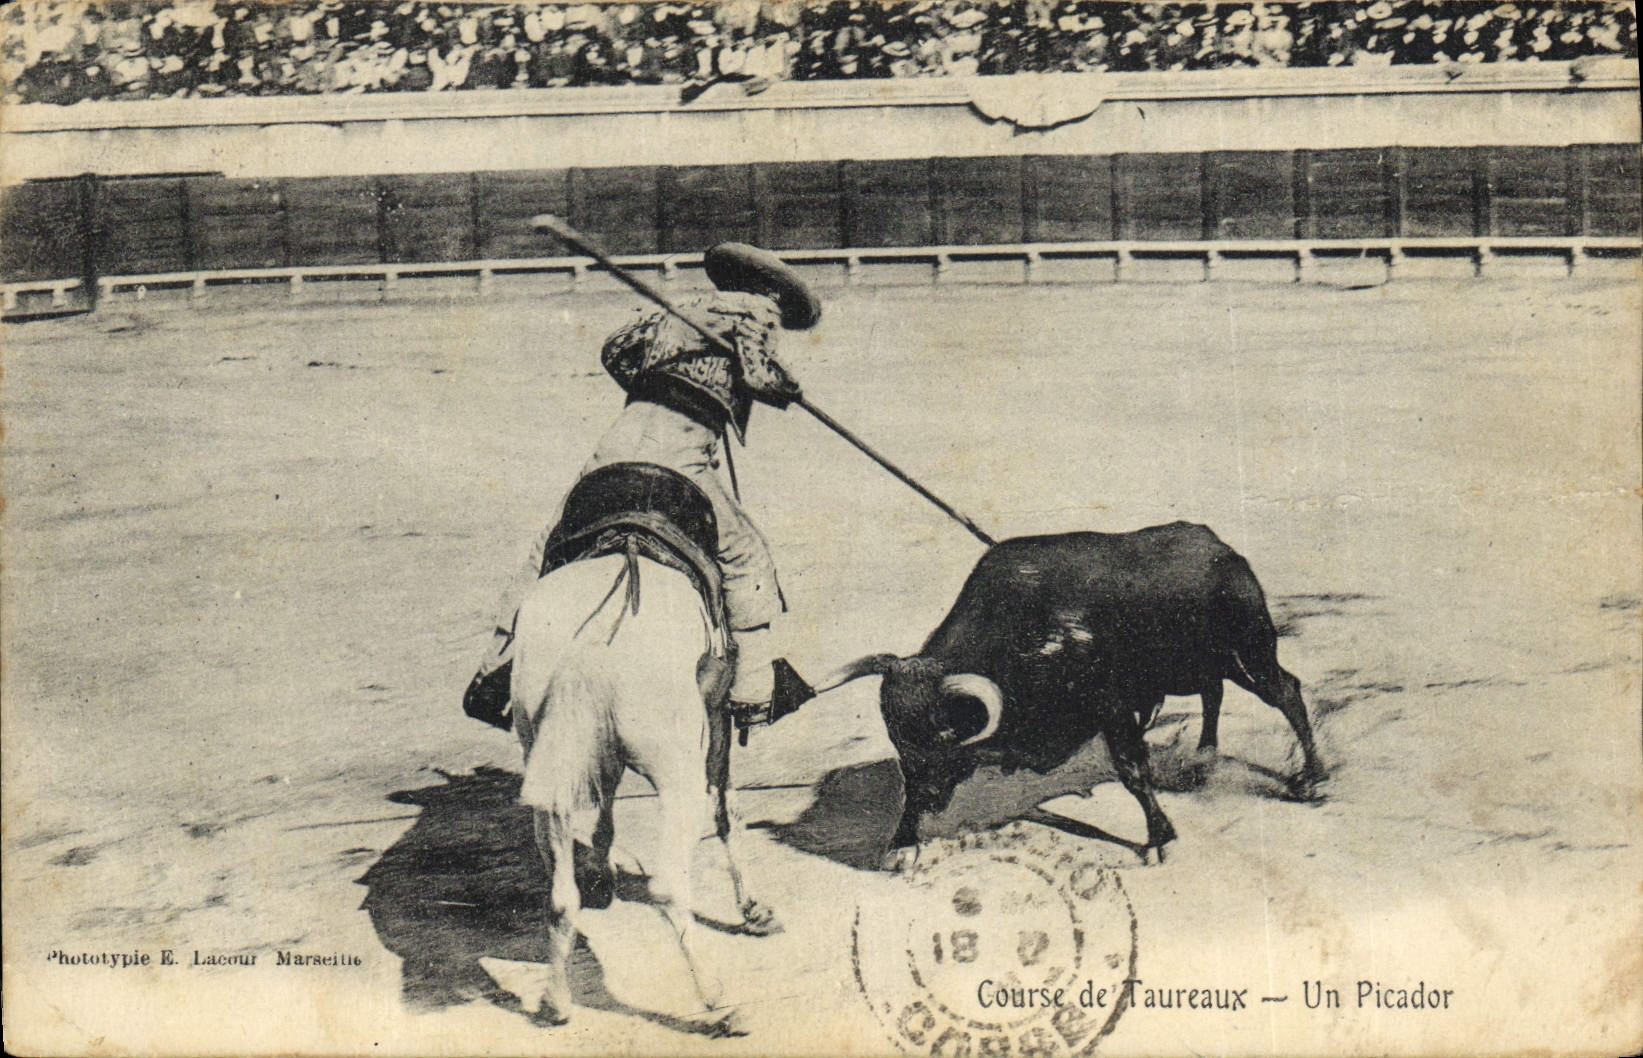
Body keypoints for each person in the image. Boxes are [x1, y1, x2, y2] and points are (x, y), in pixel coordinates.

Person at [464, 242, 821, 730]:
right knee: (746, 555)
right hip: (680, 456)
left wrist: (660, 381)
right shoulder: (758, 310)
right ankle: (755, 691)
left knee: (548, 546)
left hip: (614, 449)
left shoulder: (680, 308)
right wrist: (788, 390)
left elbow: (614, 351)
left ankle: (495, 669)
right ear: (769, 290)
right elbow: (760, 374)